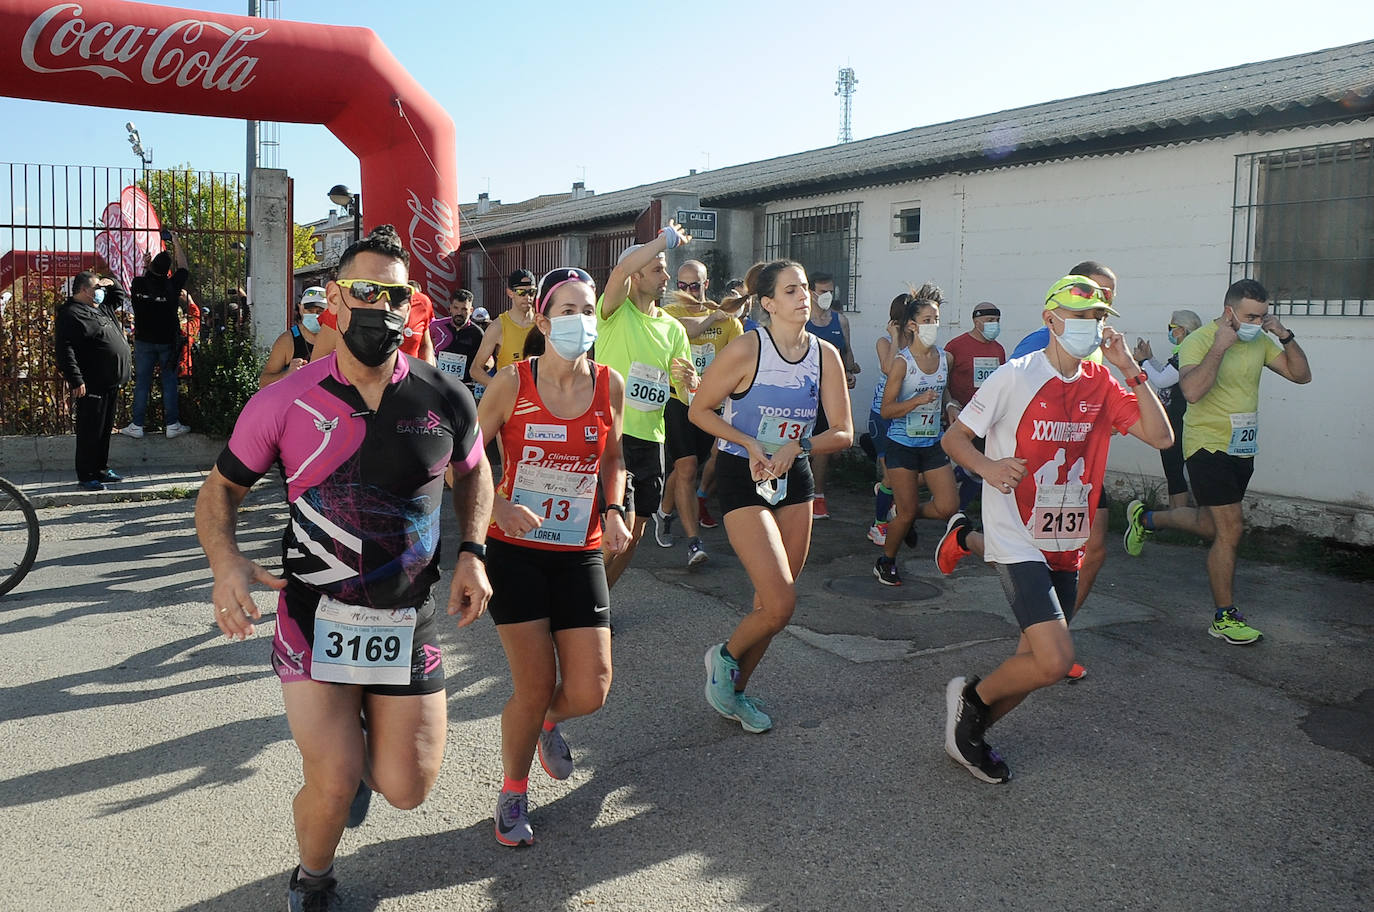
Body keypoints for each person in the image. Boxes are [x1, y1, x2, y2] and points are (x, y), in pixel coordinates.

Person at [194, 225, 493, 911]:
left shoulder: (444, 397)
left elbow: (476, 478)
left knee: (409, 788)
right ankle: (313, 876)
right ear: (333, 299)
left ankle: (364, 759)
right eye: (364, 291)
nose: (379, 308)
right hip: (313, 618)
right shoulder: (283, 401)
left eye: (396, 295)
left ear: (410, 306)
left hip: (406, 622)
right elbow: (221, 490)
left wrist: (475, 551)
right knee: (332, 779)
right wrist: (226, 560)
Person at [940, 275, 1171, 783]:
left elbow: (1160, 435)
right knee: (1055, 658)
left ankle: (969, 733)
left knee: (1034, 660)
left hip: (1067, 538)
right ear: (1051, 319)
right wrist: (988, 468)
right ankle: (972, 699)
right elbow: (955, 439)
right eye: (1081, 316)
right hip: (1016, 532)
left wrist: (1130, 368)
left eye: (1099, 318)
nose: (1092, 326)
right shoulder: (1015, 375)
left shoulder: (1104, 381)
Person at [478, 266, 631, 846]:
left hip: (579, 549)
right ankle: (513, 792)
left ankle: (547, 724)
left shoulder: (608, 383)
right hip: (515, 551)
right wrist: (498, 507)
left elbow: (613, 458)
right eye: (566, 310)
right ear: (542, 321)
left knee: (592, 688)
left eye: (588, 309)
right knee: (535, 681)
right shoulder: (513, 383)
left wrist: (614, 510)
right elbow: (460, 463)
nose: (580, 320)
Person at [691, 260, 853, 732]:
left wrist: (799, 445)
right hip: (744, 472)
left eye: (805, 287)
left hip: (793, 474)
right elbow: (701, 409)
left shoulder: (825, 355)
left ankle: (734, 690)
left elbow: (843, 430)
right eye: (790, 290)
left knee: (771, 604)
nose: (803, 295)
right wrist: (748, 443)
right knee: (781, 603)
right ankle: (723, 658)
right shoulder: (747, 348)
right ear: (767, 304)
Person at [941, 261, 1120, 681]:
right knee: (1034, 554)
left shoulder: (1100, 349)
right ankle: (967, 538)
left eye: (1107, 298)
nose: (1100, 304)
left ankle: (1055, 640)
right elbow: (1010, 406)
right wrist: (989, 466)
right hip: (1032, 479)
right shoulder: (1036, 348)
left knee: (1093, 549)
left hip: (1076, 476)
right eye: (1091, 294)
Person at [1123, 279, 1311, 644]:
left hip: (1242, 447)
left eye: (1263, 315)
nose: (1258, 321)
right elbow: (1191, 392)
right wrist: (1220, 348)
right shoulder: (1200, 340)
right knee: (1232, 528)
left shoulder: (1259, 341)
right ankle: (1224, 617)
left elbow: (1300, 375)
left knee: (1211, 526)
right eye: (1250, 316)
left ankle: (1145, 518)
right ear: (1229, 313)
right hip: (1207, 445)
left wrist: (1285, 336)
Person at [595, 224, 696, 589]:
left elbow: (686, 394)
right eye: (658, 268)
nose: (667, 275)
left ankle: (598, 603)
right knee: (611, 527)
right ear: (636, 276)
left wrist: (690, 385)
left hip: (651, 440)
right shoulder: (614, 312)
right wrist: (663, 240)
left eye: (665, 267)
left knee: (634, 535)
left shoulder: (674, 329)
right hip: (610, 438)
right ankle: (579, 603)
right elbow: (618, 271)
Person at [654, 259, 742, 563]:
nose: (688, 291)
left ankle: (663, 511)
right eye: (682, 285)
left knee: (683, 470)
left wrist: (707, 382)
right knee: (688, 467)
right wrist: (712, 317)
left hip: (710, 405)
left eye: (695, 286)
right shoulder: (670, 313)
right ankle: (694, 542)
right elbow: (684, 330)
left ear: (706, 284)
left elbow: (737, 365)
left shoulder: (729, 323)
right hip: (677, 400)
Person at [874, 287, 959, 586]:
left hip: (932, 443)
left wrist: (950, 406)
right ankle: (886, 560)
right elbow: (886, 410)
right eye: (927, 319)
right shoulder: (902, 362)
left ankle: (904, 516)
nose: (933, 325)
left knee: (948, 507)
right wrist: (915, 402)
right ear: (912, 325)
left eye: (936, 318)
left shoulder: (945, 358)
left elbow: (944, 392)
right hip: (902, 444)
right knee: (907, 512)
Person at [55, 271, 131, 491]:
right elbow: (65, 351)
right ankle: (87, 474)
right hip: (92, 381)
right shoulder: (71, 314)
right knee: (90, 430)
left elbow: (118, 294)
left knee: (104, 428)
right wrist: (76, 379)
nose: (100, 291)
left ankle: (101, 469)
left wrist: (110, 281)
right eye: (96, 287)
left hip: (110, 381)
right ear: (84, 290)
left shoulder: (101, 307)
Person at [120, 236, 192, 439]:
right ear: (167, 271)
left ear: (150, 266)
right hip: (167, 342)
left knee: (142, 382)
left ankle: (137, 425)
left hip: (144, 340)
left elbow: (144, 287)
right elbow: (184, 267)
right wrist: (176, 241)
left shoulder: (138, 283)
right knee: (169, 381)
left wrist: (146, 267)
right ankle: (171, 425)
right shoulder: (172, 286)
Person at [803, 272, 860, 520]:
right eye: (822, 291)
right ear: (811, 292)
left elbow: (848, 354)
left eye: (830, 291)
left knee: (826, 446)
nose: (827, 296)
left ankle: (818, 496)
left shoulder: (840, 321)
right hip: (802, 393)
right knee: (799, 441)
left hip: (831, 394)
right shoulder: (801, 322)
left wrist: (849, 372)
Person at [1133, 309, 1201, 509]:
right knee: (1173, 470)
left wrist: (1142, 361)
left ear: (1180, 330)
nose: (1169, 332)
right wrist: (1150, 359)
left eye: (1171, 327)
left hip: (1179, 420)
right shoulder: (1183, 354)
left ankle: (1178, 516)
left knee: (1175, 470)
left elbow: (1162, 381)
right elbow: (1165, 373)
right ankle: (1176, 516)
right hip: (1175, 418)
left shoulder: (1186, 355)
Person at [943, 301, 1007, 512]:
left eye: (997, 321)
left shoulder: (999, 350)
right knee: (972, 466)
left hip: (989, 419)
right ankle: (954, 507)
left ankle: (959, 509)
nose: (994, 325)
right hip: (962, 418)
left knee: (979, 467)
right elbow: (942, 380)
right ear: (976, 320)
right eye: (989, 320)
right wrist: (949, 405)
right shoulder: (955, 347)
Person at [864, 293, 915, 546]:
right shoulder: (884, 341)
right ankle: (879, 524)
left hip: (908, 416)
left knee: (906, 475)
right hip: (882, 416)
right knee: (891, 476)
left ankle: (888, 497)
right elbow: (888, 367)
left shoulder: (919, 343)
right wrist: (895, 337)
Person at [312, 279, 436, 367]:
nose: (384, 306)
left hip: (408, 392)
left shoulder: (421, 302)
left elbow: (425, 344)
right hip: (351, 395)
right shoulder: (346, 306)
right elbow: (318, 362)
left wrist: (429, 377)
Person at [473, 270, 539, 383]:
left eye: (532, 292)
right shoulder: (498, 327)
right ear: (510, 293)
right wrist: (500, 390)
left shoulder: (542, 323)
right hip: (512, 397)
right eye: (521, 292)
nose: (527, 297)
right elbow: (475, 370)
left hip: (541, 396)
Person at [259, 286, 326, 388]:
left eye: (320, 311)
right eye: (310, 310)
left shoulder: (337, 339)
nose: (315, 316)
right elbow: (263, 383)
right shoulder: (287, 341)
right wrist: (287, 374)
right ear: (301, 309)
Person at [430, 288, 486, 399]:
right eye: (456, 308)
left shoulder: (477, 333)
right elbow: (423, 347)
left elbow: (488, 359)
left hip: (464, 389)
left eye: (464, 309)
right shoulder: (436, 327)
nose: (459, 313)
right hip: (438, 386)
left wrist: (483, 366)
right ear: (450, 308)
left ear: (471, 310)